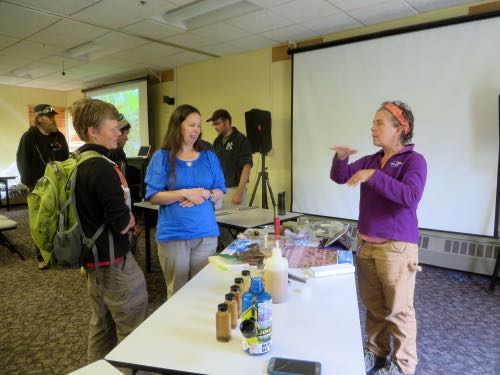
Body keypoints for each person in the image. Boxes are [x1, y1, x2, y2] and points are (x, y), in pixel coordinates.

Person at [330, 101, 427, 375]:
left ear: (399, 129)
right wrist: (340, 158)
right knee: (374, 307)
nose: (372, 128)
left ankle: (404, 367)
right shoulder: (372, 159)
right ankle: (377, 353)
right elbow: (341, 177)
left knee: (399, 311)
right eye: (373, 123)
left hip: (397, 248)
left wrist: (374, 176)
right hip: (367, 245)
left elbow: (410, 197)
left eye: (379, 123)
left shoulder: (413, 161)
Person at [70, 98, 148, 363]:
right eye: (114, 128)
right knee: (133, 328)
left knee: (101, 325)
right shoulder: (103, 168)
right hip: (116, 263)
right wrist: (130, 220)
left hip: (93, 261)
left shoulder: (78, 161)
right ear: (93, 131)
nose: (119, 133)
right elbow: (121, 221)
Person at [145, 104, 226, 299]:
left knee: (204, 291)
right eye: (191, 124)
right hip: (174, 235)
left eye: (198, 125)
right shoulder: (162, 157)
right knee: (177, 293)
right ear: (177, 125)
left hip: (206, 233)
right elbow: (154, 195)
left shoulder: (209, 157)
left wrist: (204, 194)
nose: (196, 130)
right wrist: (184, 193)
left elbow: (220, 190)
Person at [16, 103, 69, 269]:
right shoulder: (28, 137)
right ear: (39, 119)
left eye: (53, 115)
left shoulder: (58, 136)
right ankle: (42, 257)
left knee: (60, 218)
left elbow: (66, 158)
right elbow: (23, 162)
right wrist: (29, 183)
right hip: (38, 187)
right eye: (50, 116)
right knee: (41, 221)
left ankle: (60, 253)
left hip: (58, 185)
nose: (53, 119)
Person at [208, 109, 253, 207]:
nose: (215, 127)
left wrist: (239, 192)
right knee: (219, 221)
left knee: (234, 221)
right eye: (213, 125)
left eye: (217, 124)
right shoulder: (217, 141)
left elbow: (247, 167)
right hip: (219, 190)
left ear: (227, 122)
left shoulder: (241, 140)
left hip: (234, 189)